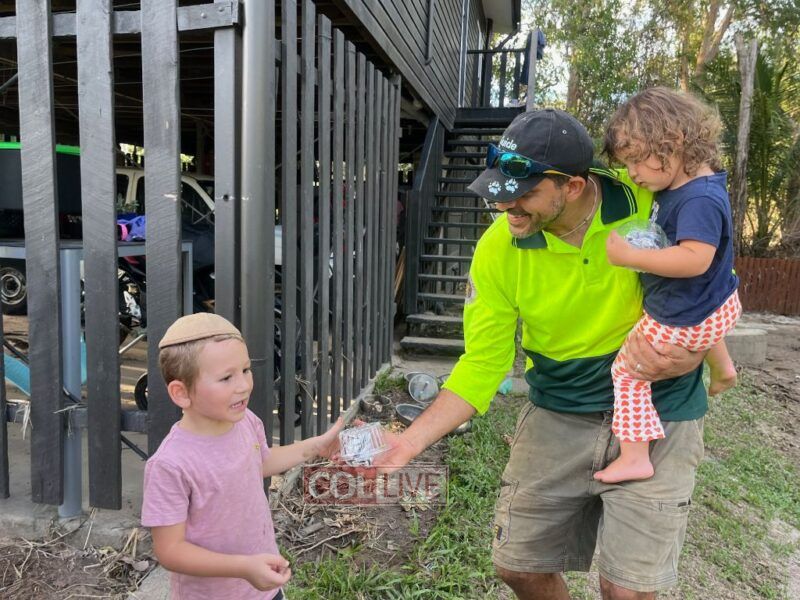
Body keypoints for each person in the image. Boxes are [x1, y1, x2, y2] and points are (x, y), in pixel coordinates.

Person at [377, 109, 709, 599]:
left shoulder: (648, 200)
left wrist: (697, 349)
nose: (507, 207)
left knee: (629, 590)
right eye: (501, 194)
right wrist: (409, 442)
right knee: (519, 566)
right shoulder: (497, 250)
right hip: (559, 413)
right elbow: (483, 363)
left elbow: (709, 269)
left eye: (525, 194)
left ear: (572, 187)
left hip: (659, 411)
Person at [593, 87, 740, 484]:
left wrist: (631, 258)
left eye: (637, 160)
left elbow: (696, 259)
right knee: (701, 314)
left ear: (672, 143)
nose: (634, 173)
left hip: (686, 313)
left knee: (627, 372)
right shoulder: (686, 185)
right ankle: (723, 367)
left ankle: (635, 455)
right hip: (714, 304)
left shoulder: (698, 199)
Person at [141, 312, 343, 600]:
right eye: (226, 377)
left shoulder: (246, 421)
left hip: (262, 583)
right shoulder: (171, 464)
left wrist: (314, 447)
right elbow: (170, 551)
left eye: (246, 370)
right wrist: (243, 567)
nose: (244, 385)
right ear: (181, 393)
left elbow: (259, 464)